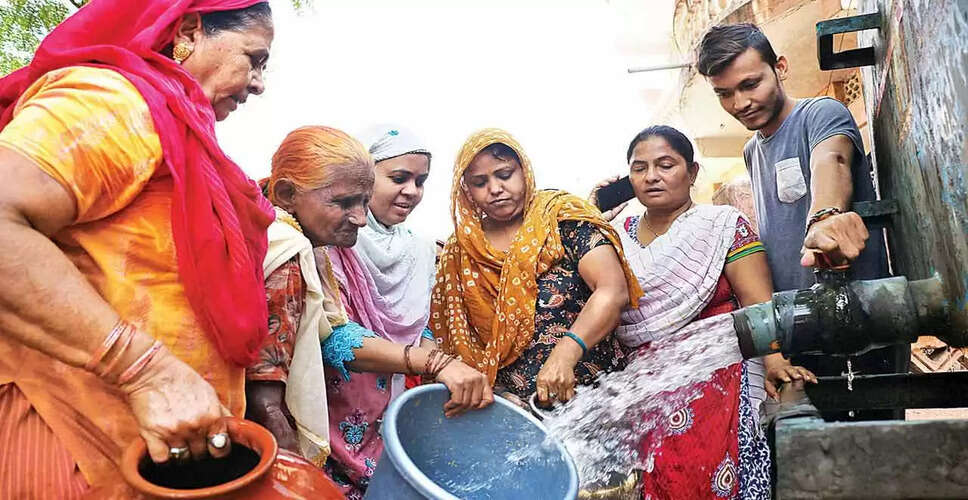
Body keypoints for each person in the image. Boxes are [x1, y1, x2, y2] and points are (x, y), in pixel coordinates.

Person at [0, 1, 277, 496]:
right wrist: (144, 371)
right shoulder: (117, 102)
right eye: (254, 59)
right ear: (189, 30)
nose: (259, 83)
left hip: (148, 450)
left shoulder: (174, 126)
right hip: (69, 439)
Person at [256, 125, 491, 498]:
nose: (361, 217)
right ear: (288, 194)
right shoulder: (300, 245)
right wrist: (437, 364)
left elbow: (420, 328)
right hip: (321, 414)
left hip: (381, 410)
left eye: (421, 181)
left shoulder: (413, 248)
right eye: (399, 178)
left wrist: (439, 363)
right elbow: (328, 340)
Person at [592, 125, 815, 498]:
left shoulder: (722, 225)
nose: (652, 177)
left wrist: (775, 360)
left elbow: (757, 302)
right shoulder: (612, 235)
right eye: (639, 168)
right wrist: (594, 212)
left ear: (692, 173)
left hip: (720, 378)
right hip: (644, 388)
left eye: (665, 165)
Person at [696, 23, 904, 419]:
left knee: (875, 453)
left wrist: (825, 218)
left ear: (782, 67)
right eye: (725, 94)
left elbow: (832, 160)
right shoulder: (751, 152)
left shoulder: (820, 114)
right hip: (799, 331)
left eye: (750, 84)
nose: (740, 102)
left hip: (861, 324)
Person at [430, 128, 643, 410]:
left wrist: (565, 353)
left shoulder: (561, 218)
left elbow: (612, 290)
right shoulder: (462, 251)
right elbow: (458, 341)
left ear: (524, 170)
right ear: (466, 189)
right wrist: (499, 394)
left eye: (505, 175)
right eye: (480, 182)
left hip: (599, 400)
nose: (495, 188)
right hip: (515, 415)